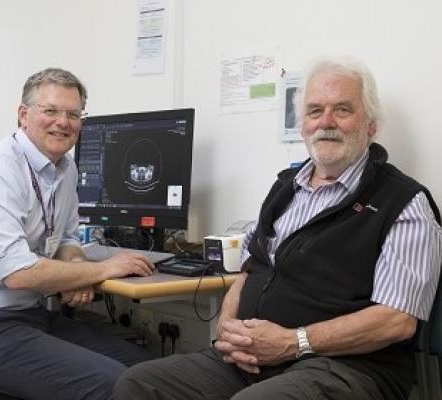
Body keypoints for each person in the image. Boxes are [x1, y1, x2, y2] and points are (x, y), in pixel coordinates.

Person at [113, 56, 442, 400]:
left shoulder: (403, 203)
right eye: (315, 111)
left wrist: (293, 343)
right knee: (138, 384)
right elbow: (249, 268)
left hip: (345, 367)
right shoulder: (286, 188)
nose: (326, 122)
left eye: (342, 110)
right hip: (253, 361)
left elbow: (396, 320)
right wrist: (228, 327)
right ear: (303, 125)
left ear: (371, 125)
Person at [0, 68, 155, 400]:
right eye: (50, 111)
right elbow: (17, 273)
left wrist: (74, 273)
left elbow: (66, 239)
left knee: (149, 372)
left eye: (73, 114)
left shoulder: (66, 168)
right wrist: (103, 268)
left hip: (29, 318)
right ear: (23, 115)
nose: (63, 122)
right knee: (116, 385)